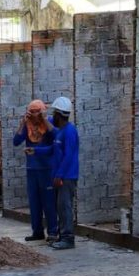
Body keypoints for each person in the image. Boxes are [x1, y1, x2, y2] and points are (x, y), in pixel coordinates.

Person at [13, 99, 57, 243]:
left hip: (47, 168)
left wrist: (44, 120)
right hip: (32, 169)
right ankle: (37, 231)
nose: (33, 115)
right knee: (34, 202)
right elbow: (16, 141)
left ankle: (52, 231)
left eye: (36, 112)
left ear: (42, 111)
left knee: (49, 202)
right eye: (30, 112)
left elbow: (55, 135)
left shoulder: (49, 122)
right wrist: (22, 123)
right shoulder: (28, 125)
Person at [50, 96, 79, 250]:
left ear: (59, 114)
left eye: (54, 113)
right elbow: (53, 151)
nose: (52, 116)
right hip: (61, 176)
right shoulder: (60, 132)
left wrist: (60, 175)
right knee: (61, 207)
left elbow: (68, 156)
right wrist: (36, 151)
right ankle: (63, 236)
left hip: (67, 177)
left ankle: (68, 238)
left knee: (65, 207)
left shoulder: (69, 132)